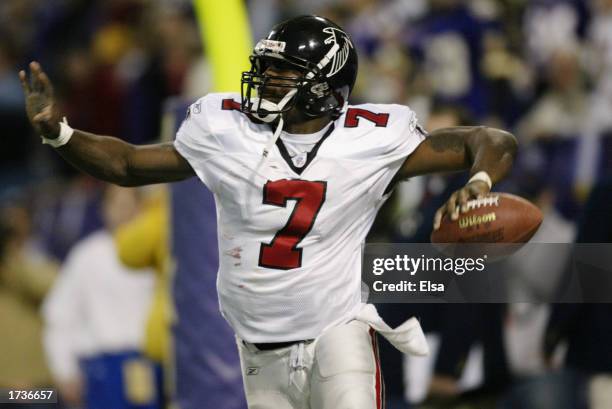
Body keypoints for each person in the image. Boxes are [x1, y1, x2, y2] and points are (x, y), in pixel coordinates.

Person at [20, 15, 517, 409]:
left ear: (325, 86)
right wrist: (59, 133)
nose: (266, 80)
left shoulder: (374, 137)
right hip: (259, 349)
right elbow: (127, 164)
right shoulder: (226, 128)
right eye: (267, 67)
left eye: (284, 73)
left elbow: (489, 140)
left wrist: (478, 181)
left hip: (337, 332)